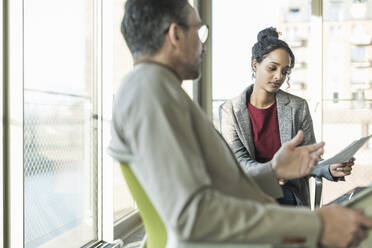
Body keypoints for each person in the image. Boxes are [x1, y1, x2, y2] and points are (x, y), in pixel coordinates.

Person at [108, 0, 372, 247]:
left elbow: (212, 184)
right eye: (199, 33)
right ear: (176, 35)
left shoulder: (161, 91)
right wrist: (317, 223)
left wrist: (274, 171)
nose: (204, 46)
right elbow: (194, 216)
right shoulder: (150, 92)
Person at [219, 27, 354, 207]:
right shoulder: (230, 111)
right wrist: (274, 172)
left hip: (288, 196)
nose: (278, 77)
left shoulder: (298, 107)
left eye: (285, 71)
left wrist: (329, 168)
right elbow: (239, 163)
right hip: (250, 193)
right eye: (272, 68)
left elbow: (308, 157)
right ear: (255, 65)